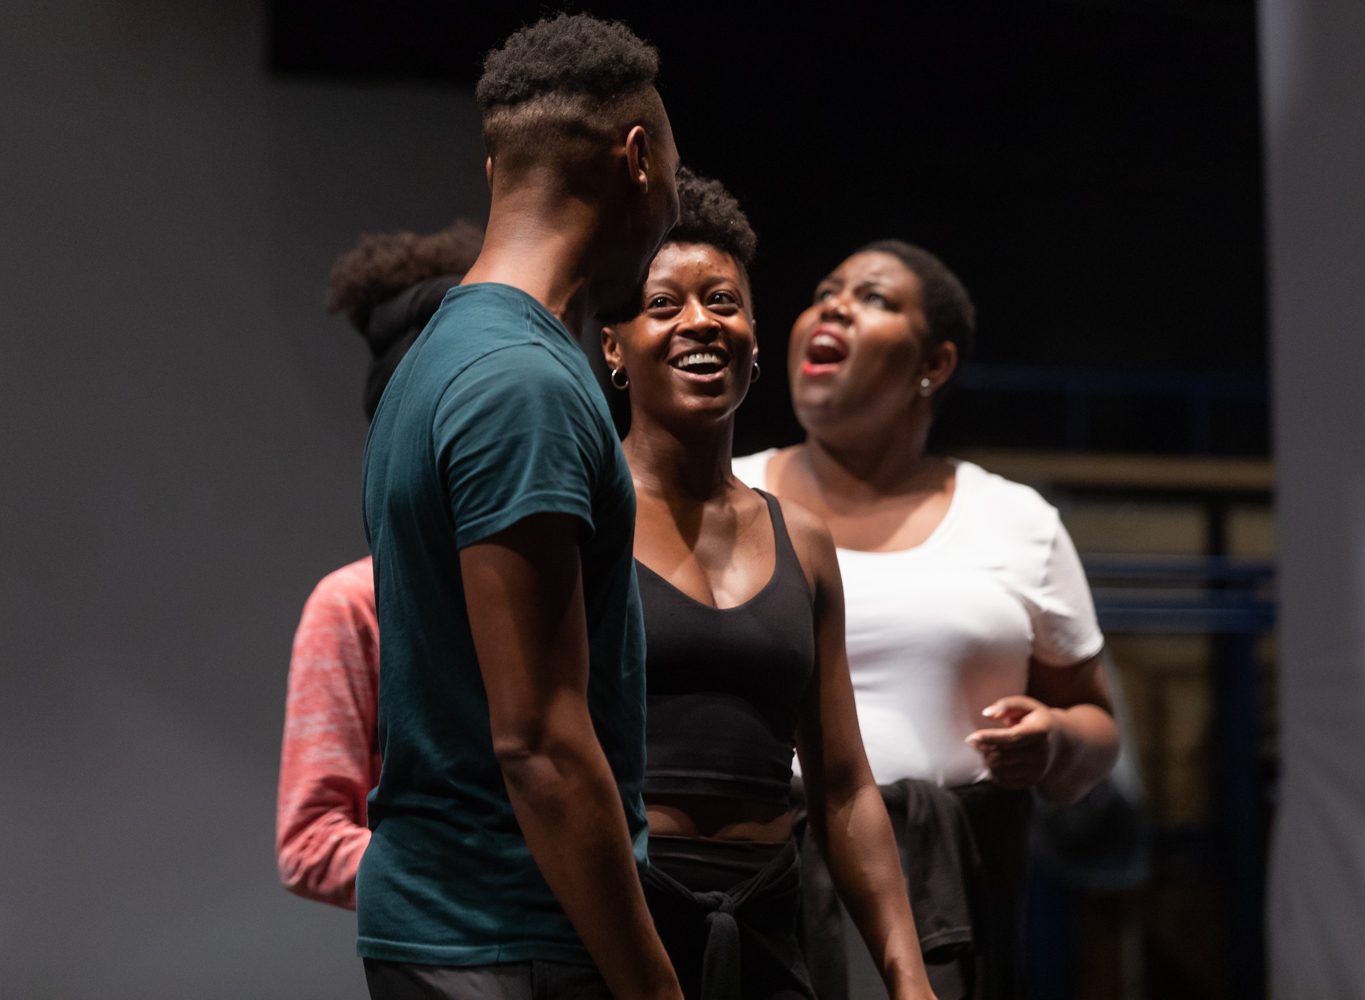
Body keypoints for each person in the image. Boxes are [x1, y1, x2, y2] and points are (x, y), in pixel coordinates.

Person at [358, 14, 683, 1000]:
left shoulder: (444, 357)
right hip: (509, 941)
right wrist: (654, 987)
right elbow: (539, 745)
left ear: (495, 168)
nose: (673, 208)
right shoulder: (522, 384)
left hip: (465, 937)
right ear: (639, 159)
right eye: (675, 177)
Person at [734, 241, 1120, 998]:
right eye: (826, 291)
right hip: (751, 877)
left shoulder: (1014, 520)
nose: (835, 307)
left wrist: (1054, 740)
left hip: (939, 888)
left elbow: (1098, 724)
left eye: (873, 298)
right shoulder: (725, 497)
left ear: (934, 364)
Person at [600, 170, 936, 1000]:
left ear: (754, 337)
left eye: (723, 300)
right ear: (613, 346)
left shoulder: (803, 541)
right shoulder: (583, 518)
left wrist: (908, 975)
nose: (699, 322)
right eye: (663, 304)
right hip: (616, 924)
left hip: (767, 922)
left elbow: (843, 785)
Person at [275, 220, 481, 910]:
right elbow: (310, 841)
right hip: (448, 949)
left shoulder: (563, 583)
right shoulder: (354, 605)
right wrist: (484, 882)